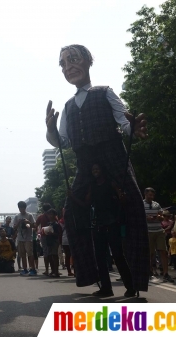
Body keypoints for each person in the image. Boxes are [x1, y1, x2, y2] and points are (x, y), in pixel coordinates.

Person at [45, 44, 149, 296]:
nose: (68, 67)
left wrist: (133, 128)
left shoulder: (105, 92)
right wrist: (50, 129)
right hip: (84, 162)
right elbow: (63, 142)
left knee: (134, 208)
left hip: (112, 156)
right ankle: (94, 277)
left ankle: (135, 282)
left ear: (89, 61)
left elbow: (124, 120)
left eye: (73, 60)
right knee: (71, 214)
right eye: (63, 64)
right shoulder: (68, 106)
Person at [86, 163, 135, 297]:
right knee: (100, 258)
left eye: (97, 169)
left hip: (112, 223)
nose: (95, 171)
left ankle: (131, 287)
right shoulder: (92, 186)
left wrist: (122, 197)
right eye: (93, 169)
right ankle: (106, 288)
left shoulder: (111, 183)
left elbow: (122, 199)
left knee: (118, 255)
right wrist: (72, 196)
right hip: (99, 225)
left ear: (102, 170)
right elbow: (87, 203)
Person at [143, 187, 172, 282]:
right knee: (150, 253)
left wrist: (159, 217)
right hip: (148, 231)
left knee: (163, 251)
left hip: (159, 230)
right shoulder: (141, 204)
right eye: (149, 195)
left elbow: (162, 216)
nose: (151, 197)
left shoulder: (157, 204)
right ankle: (150, 271)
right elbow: (139, 217)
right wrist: (147, 218)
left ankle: (166, 273)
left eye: (152, 195)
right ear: (145, 194)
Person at [13, 201, 36, 276]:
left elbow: (34, 226)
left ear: (25, 208)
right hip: (20, 238)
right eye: (20, 208)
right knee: (22, 254)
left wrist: (28, 222)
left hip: (28, 238)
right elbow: (14, 227)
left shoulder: (29, 215)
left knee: (30, 254)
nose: (21, 210)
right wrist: (19, 223)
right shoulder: (17, 216)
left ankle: (32, 268)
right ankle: (25, 269)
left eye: (22, 208)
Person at [36, 203, 53, 276]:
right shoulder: (53, 216)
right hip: (52, 236)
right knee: (52, 253)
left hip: (44, 236)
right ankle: (54, 270)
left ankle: (47, 270)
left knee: (46, 252)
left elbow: (35, 225)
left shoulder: (41, 217)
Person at [44, 209, 62, 277]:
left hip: (54, 241)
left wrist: (52, 233)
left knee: (54, 255)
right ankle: (52, 270)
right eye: (49, 214)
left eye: (51, 214)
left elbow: (58, 234)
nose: (50, 216)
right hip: (48, 241)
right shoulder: (48, 223)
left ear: (54, 215)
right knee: (49, 256)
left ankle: (56, 271)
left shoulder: (56, 224)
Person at [59, 209, 74, 277]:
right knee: (73, 255)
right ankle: (73, 271)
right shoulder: (73, 218)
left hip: (65, 239)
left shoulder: (61, 221)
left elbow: (60, 231)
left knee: (68, 256)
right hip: (70, 239)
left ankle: (69, 271)